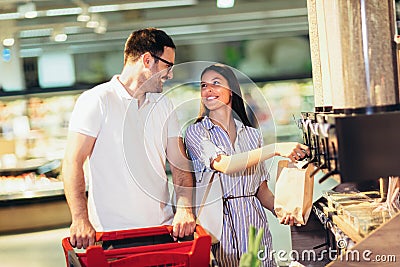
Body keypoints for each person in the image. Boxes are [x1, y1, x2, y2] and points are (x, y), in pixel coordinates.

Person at [62, 28, 195, 249]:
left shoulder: (163, 104)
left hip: (162, 230)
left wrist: (184, 208)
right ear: (147, 60)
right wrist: (80, 219)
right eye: (167, 66)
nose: (170, 75)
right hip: (112, 234)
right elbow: (72, 162)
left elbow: (179, 163)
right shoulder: (97, 100)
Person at [184, 64, 309, 266]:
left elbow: (261, 191)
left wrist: (283, 212)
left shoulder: (252, 135)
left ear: (232, 89)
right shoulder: (197, 132)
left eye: (216, 83)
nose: (208, 90)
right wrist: (275, 149)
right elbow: (224, 164)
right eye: (203, 85)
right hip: (219, 231)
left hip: (255, 229)